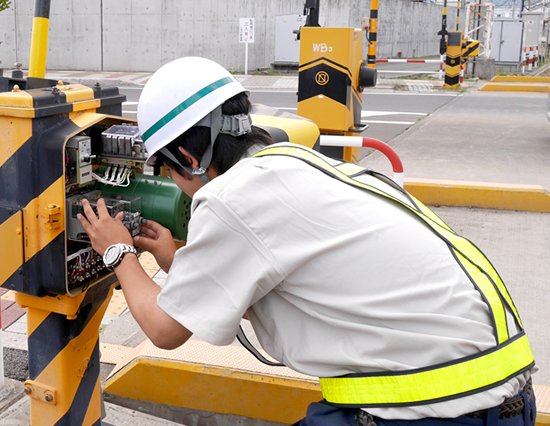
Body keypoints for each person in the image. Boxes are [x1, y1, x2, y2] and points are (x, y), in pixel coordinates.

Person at [77, 57, 536, 426]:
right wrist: (178, 257)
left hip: (433, 405)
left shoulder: (231, 198)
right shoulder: (291, 161)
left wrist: (118, 252)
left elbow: (164, 330)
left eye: (168, 170)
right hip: (500, 390)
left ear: (189, 157)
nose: (175, 183)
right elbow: (257, 269)